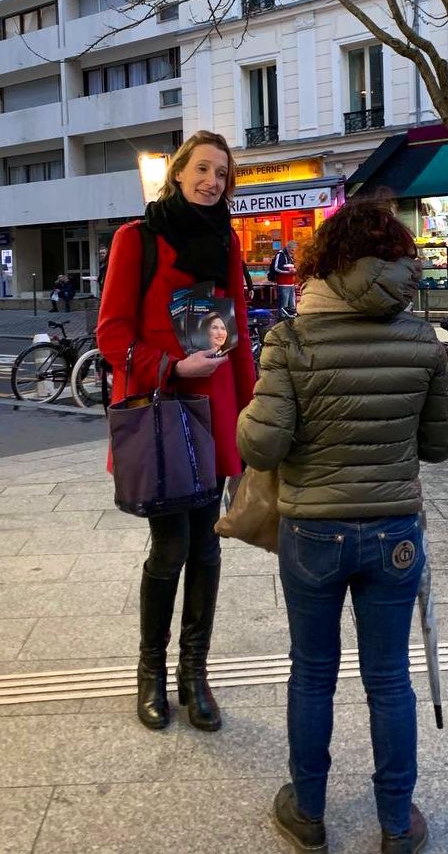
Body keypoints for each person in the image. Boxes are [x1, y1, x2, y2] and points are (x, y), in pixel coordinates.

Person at [237, 198, 448, 854]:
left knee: (312, 671)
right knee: (389, 677)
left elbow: (261, 448)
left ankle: (307, 813)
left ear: (324, 261)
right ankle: (396, 823)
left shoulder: (291, 339)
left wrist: (258, 399)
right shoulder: (423, 338)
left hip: (313, 531)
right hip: (393, 531)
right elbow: (441, 445)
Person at [98, 130, 256, 732]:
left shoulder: (227, 243)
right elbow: (111, 333)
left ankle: (196, 675)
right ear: (180, 172)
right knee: (171, 548)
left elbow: (235, 335)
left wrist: (250, 413)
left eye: (223, 173)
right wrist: (170, 365)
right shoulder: (136, 239)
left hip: (213, 414)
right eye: (204, 169)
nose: (213, 181)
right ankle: (151, 673)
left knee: (209, 546)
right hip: (161, 410)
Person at [272, 239, 297, 318]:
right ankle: (282, 320)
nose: (293, 252)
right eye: (292, 250)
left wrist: (295, 270)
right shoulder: (281, 255)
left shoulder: (291, 256)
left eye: (294, 250)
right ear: (288, 248)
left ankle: (290, 320)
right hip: (283, 283)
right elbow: (276, 268)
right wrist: (289, 272)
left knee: (291, 304)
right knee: (283, 305)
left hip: (291, 283)